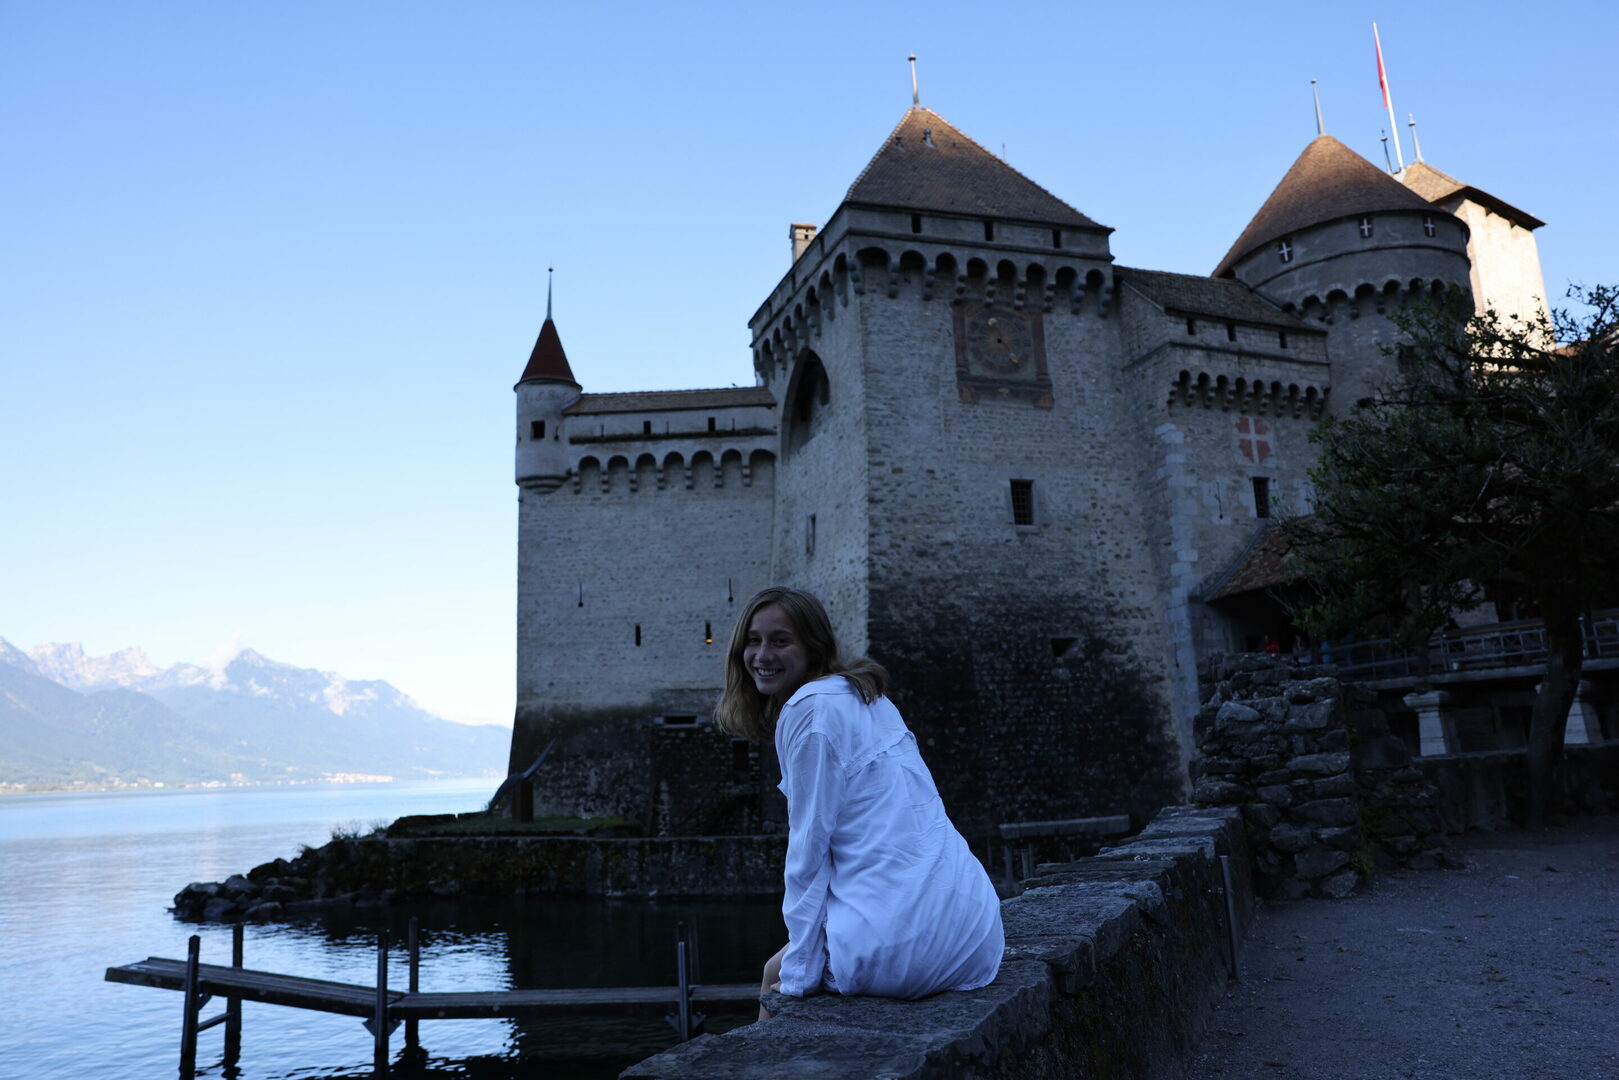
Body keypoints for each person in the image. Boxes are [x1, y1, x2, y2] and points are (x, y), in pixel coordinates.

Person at [715, 587, 1004, 1021]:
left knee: (775, 975)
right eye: (753, 641)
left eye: (780, 640)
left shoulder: (807, 711)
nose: (762, 655)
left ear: (813, 647)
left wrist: (797, 977)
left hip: (905, 945)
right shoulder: (867, 694)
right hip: (975, 929)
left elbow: (808, 853)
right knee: (784, 962)